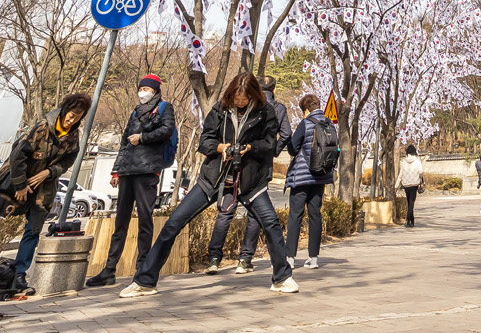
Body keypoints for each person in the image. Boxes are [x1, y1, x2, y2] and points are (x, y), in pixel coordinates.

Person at [121, 71, 297, 297]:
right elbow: (205, 141)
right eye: (236, 97)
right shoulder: (220, 109)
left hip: (250, 179)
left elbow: (270, 144)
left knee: (271, 222)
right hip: (213, 178)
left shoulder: (266, 113)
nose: (240, 102)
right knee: (174, 222)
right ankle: (145, 281)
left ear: (253, 95)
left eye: (244, 99)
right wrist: (221, 148)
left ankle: (282, 278)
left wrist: (249, 147)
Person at [0, 92, 91, 295]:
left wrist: (48, 173)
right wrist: (21, 185)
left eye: (77, 117)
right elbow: (17, 156)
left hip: (44, 188)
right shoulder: (42, 127)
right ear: (64, 109)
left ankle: (19, 274)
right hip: (14, 183)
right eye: (70, 115)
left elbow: (68, 160)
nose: (71, 120)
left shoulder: (73, 136)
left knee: (32, 230)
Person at [85, 73, 177, 288]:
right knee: (120, 222)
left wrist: (143, 137)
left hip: (147, 170)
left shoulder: (165, 107)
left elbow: (167, 130)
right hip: (128, 170)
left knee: (145, 220)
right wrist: (116, 171)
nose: (142, 92)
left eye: (146, 89)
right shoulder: (135, 111)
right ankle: (109, 269)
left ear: (154, 91)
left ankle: (142, 268)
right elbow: (125, 142)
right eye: (141, 88)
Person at [227, 74, 291, 273]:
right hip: (261, 163)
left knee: (228, 205)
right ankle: (246, 258)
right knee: (260, 212)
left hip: (234, 161)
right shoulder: (278, 108)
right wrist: (273, 150)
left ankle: (215, 256)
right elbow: (287, 134)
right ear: (274, 89)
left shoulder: (247, 103)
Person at [283, 93, 338, 269]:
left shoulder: (305, 124)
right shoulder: (329, 124)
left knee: (295, 215)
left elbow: (292, 149)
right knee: (315, 215)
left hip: (301, 177)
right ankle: (313, 258)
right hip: (320, 177)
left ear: (306, 110)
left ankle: (290, 257)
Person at [397, 145, 423, 228]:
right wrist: (420, 177)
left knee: (409, 202)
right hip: (414, 184)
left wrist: (396, 185)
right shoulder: (417, 161)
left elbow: (400, 174)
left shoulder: (404, 162)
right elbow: (421, 171)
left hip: (406, 185)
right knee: (411, 203)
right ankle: (408, 220)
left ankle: (411, 220)